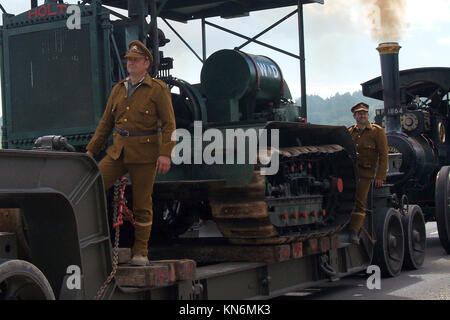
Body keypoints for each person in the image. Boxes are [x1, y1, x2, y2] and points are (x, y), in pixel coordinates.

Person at [86, 40, 176, 265]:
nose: (131, 63)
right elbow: (106, 124)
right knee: (92, 185)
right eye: (129, 60)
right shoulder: (118, 89)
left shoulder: (157, 89)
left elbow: (169, 125)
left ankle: (140, 252)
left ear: (147, 63)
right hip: (118, 152)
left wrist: (165, 154)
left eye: (135, 60)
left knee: (143, 205)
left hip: (145, 155)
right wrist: (90, 151)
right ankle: (92, 242)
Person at [341, 102, 388, 244]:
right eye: (359, 114)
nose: (362, 116)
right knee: (348, 198)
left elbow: (383, 154)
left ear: (368, 115)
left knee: (360, 202)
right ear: (354, 116)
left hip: (366, 173)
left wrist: (380, 176)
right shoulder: (350, 132)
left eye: (364, 113)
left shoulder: (377, 131)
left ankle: (354, 231)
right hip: (352, 173)